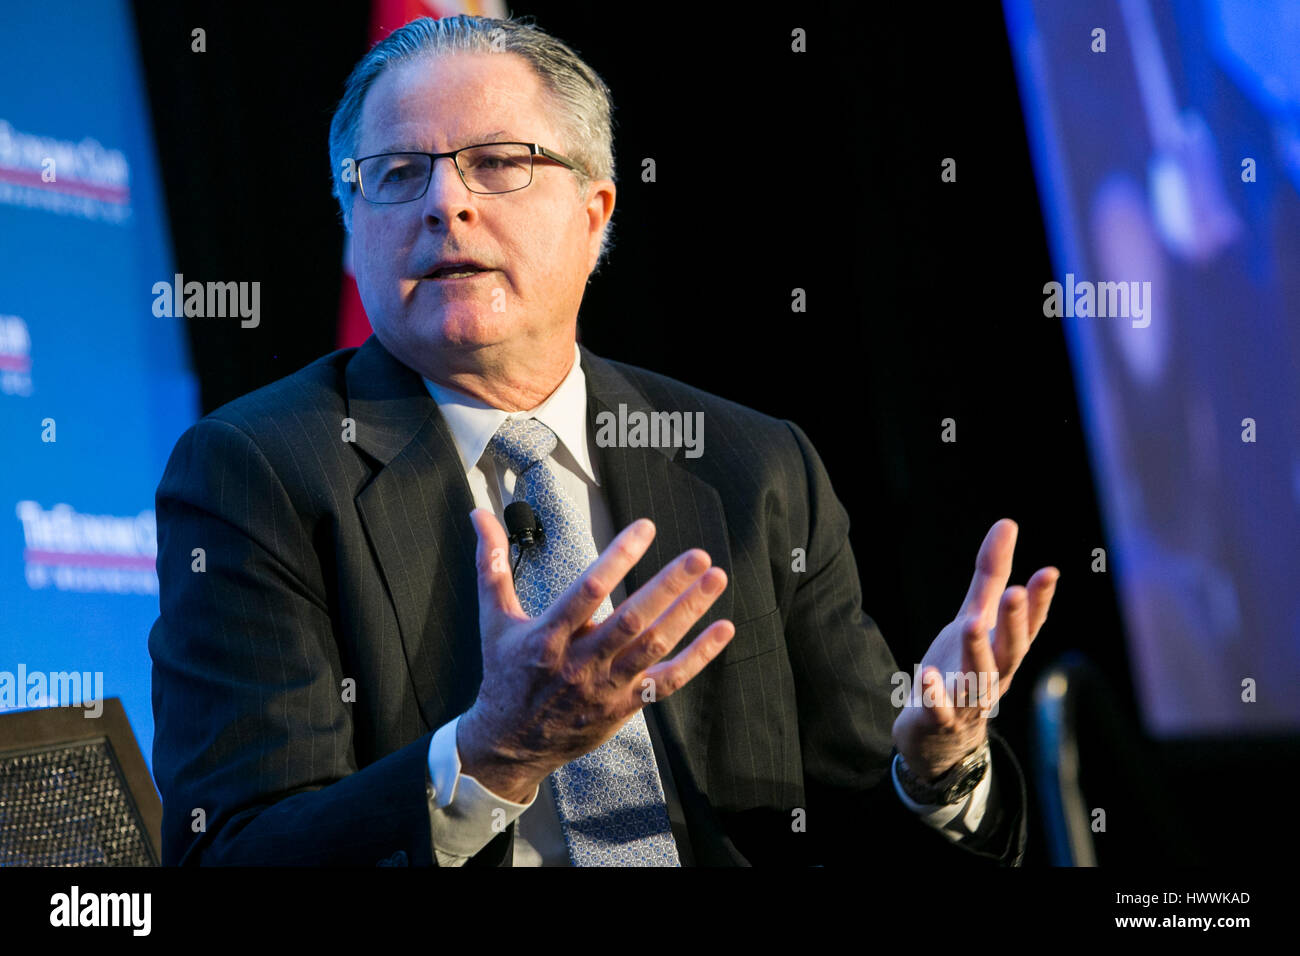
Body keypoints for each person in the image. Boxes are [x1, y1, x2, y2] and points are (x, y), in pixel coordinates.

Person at [149, 14, 1059, 866]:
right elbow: (233, 847)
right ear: (352, 222)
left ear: (594, 215)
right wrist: (489, 755)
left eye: (497, 163)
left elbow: (860, 812)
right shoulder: (258, 471)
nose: (444, 205)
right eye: (396, 172)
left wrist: (942, 768)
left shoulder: (752, 465)